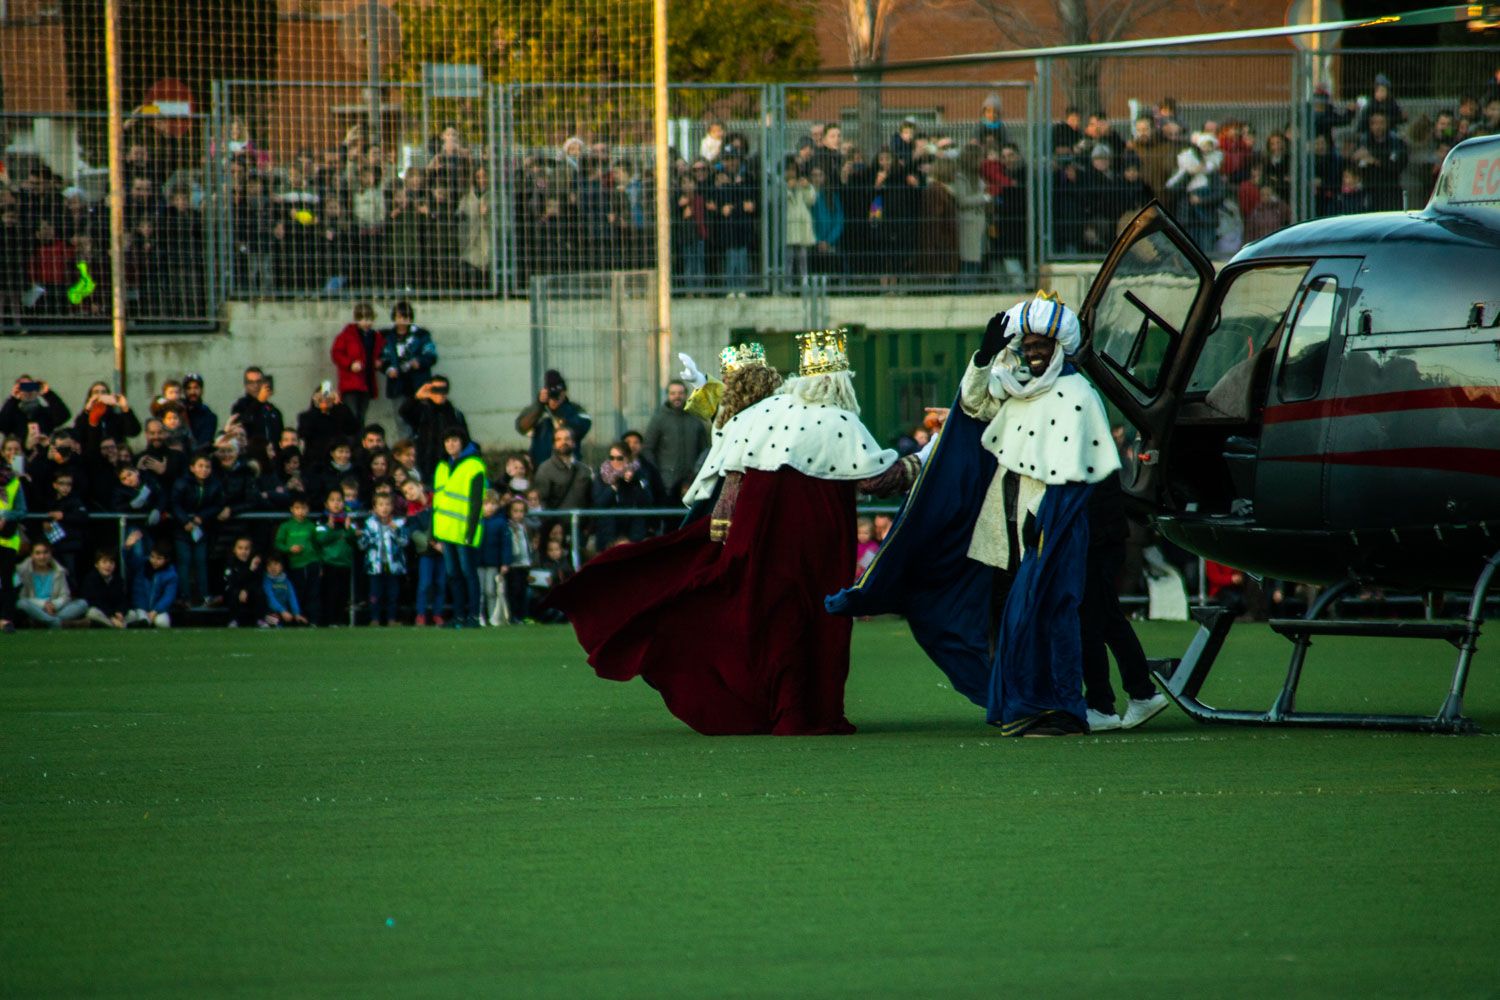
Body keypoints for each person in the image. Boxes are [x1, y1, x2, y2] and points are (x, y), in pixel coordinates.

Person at [544, 331, 898, 735]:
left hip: (757, 533)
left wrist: (721, 527)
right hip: (811, 539)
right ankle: (800, 710)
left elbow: (731, 444)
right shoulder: (839, 419)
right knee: (811, 621)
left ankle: (783, 709)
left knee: (769, 617)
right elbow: (876, 479)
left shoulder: (766, 413)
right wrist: (924, 461)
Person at [828, 293, 1123, 737]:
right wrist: (984, 357)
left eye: (1042, 346)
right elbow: (972, 404)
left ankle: (1065, 707)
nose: (1034, 354)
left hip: (1050, 527)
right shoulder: (1016, 387)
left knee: (1054, 614)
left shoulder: (1076, 393)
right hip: (1004, 530)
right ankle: (1019, 703)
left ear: (1059, 347)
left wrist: (1048, 527)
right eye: (1028, 347)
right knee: (1010, 618)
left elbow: (1072, 474)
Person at [1078, 473, 1170, 731]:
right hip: (1106, 533)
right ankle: (1140, 693)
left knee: (1091, 622)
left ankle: (1102, 703)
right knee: (1107, 620)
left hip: (1096, 536)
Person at [432, 427, 487, 628]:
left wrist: (471, 532)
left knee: (468, 574)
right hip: (446, 531)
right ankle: (459, 616)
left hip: (464, 531)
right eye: (447, 441)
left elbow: (476, 502)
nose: (450, 445)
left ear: (462, 442)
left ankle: (473, 616)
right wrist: (433, 532)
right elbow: (437, 502)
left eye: (454, 440)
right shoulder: (442, 467)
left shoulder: (475, 465)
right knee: (453, 575)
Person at [171, 453, 226, 607]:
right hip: (182, 530)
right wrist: (185, 521)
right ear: (192, 468)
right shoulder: (182, 483)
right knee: (185, 562)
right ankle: (185, 597)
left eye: (207, 466)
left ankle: (204, 596)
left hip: (202, 529)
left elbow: (218, 504)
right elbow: (175, 504)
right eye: (200, 466)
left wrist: (202, 517)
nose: (204, 470)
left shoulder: (214, 484)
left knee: (201, 562)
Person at [643, 379, 709, 501]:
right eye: (673, 393)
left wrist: (697, 471)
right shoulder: (659, 419)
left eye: (680, 393)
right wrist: (657, 474)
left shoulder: (695, 418)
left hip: (692, 481)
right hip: (667, 483)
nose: (677, 397)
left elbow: (705, 449)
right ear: (668, 395)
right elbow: (648, 449)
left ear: (686, 394)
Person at [398, 376, 469, 484]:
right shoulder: (421, 411)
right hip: (425, 466)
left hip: (449, 465)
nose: (440, 394)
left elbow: (465, 440)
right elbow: (404, 412)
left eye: (443, 390)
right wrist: (416, 397)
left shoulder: (455, 414)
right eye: (436, 390)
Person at [515, 369, 592, 469]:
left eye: (557, 393)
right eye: (551, 394)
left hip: (569, 468)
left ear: (564, 392)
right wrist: (539, 405)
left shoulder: (575, 409)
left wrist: (561, 409)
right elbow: (521, 427)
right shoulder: (538, 411)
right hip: (540, 468)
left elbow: (583, 426)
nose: (554, 398)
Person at [330, 302, 386, 427]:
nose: (367, 323)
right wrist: (350, 364)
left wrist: (379, 361)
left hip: (367, 382)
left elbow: (381, 352)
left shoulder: (375, 336)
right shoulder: (347, 335)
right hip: (351, 383)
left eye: (369, 319)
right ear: (357, 320)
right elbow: (336, 353)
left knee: (361, 418)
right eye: (363, 319)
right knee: (351, 417)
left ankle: (359, 444)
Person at [359, 492, 409, 626]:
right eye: (381, 505)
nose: (384, 508)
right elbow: (362, 545)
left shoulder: (398, 523)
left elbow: (404, 542)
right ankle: (375, 619)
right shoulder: (369, 523)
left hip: (393, 565)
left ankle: (391, 619)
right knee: (375, 594)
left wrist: (396, 531)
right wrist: (364, 536)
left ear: (392, 507)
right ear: (375, 508)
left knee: (393, 594)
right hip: (375, 566)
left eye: (387, 504)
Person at [274, 495, 322, 626]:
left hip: (312, 563)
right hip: (296, 565)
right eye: (297, 508)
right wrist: (289, 549)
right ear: (292, 509)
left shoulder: (311, 526)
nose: (301, 511)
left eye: (304, 508)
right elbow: (278, 543)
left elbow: (318, 546)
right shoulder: (286, 526)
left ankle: (313, 620)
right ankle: (297, 619)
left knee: (313, 593)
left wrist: (320, 564)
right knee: (297, 593)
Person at [16, 540, 87, 628]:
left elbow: (65, 596)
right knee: (21, 603)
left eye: (45, 553)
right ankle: (54, 622)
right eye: (37, 553)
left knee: (82, 603)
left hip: (55, 609)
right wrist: (44, 604)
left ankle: (45, 621)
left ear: (50, 554)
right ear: (32, 555)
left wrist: (53, 605)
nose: (42, 557)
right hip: (36, 609)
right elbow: (23, 597)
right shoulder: (24, 571)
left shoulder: (58, 571)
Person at [379, 301, 438, 408]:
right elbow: (381, 359)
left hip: (419, 384)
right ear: (394, 318)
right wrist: (388, 369)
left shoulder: (422, 335)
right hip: (397, 385)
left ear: (411, 318)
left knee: (422, 419)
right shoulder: (387, 337)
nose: (402, 320)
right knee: (401, 418)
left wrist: (419, 362)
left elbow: (432, 356)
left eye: (406, 317)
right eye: (399, 317)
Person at [402, 478, 444, 626]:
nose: (409, 493)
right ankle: (421, 614)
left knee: (440, 583)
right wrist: (434, 543)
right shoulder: (412, 512)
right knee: (425, 584)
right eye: (406, 492)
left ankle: (438, 614)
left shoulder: (437, 500)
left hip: (442, 549)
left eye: (411, 488)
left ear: (420, 486)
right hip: (427, 551)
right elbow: (415, 533)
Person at [316, 488, 357, 626]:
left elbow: (353, 539)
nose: (336, 503)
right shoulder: (322, 521)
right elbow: (321, 540)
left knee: (343, 594)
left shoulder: (347, 520)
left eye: (339, 500)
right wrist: (332, 530)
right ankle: (329, 620)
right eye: (332, 500)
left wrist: (348, 530)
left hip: (344, 563)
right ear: (327, 503)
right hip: (330, 562)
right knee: (330, 594)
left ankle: (339, 620)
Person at [533, 426, 592, 514]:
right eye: (558, 439)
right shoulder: (545, 469)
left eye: (567, 439)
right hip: (555, 525)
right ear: (554, 445)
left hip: (581, 525)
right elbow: (542, 501)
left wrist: (589, 526)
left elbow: (590, 501)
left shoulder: (584, 470)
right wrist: (552, 524)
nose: (563, 442)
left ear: (573, 443)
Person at [124, 531, 177, 628]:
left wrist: (156, 611)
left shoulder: (171, 574)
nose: (154, 561)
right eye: (152, 557)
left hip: (158, 609)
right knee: (143, 621)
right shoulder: (143, 564)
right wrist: (128, 548)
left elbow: (168, 596)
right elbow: (130, 561)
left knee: (163, 623)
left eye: (159, 558)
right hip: (140, 607)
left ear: (167, 560)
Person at [477, 489, 508, 626]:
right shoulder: (476, 521)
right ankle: (479, 616)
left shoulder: (501, 522)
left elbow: (506, 545)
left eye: (493, 504)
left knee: (491, 590)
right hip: (477, 562)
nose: (490, 507)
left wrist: (505, 562)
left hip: (493, 562)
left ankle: (493, 616)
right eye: (486, 503)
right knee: (480, 591)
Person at [501, 497, 535, 623]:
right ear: (510, 512)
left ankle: (522, 615)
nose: (519, 514)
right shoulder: (508, 527)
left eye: (521, 511)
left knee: (523, 591)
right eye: (515, 511)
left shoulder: (525, 527)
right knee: (513, 591)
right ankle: (513, 616)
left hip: (524, 564)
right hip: (513, 565)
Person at [0, 461, 24, 634]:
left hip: (8, 540)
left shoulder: (15, 485)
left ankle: (6, 619)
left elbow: (22, 510)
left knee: (7, 582)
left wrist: (6, 516)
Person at [80, 549, 130, 629]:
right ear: (96, 564)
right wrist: (112, 616)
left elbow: (123, 600)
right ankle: (116, 625)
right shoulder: (91, 579)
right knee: (92, 613)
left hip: (115, 613)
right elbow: (96, 602)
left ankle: (118, 624)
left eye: (111, 563)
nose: (108, 566)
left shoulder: (118, 580)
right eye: (104, 562)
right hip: (103, 612)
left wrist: (120, 612)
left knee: (133, 614)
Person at [222, 535, 264, 628]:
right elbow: (232, 581)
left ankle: (260, 619)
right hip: (235, 591)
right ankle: (233, 620)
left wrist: (246, 590)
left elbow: (257, 581)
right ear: (234, 549)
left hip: (249, 592)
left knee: (259, 592)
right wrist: (250, 570)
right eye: (240, 548)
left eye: (246, 548)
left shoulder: (255, 562)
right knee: (232, 592)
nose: (243, 551)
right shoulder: (230, 563)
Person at [261, 552, 308, 626]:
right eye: (269, 565)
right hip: (271, 611)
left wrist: (296, 613)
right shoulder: (267, 581)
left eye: (276, 564)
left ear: (281, 566)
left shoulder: (286, 581)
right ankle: (266, 623)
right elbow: (270, 598)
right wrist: (282, 611)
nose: (273, 568)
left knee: (300, 622)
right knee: (273, 620)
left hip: (285, 612)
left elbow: (292, 597)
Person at [181, 374, 218, 448]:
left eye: (196, 388)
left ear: (202, 390)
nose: (192, 392)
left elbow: (205, 442)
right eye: (189, 388)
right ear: (184, 391)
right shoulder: (177, 411)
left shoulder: (209, 416)